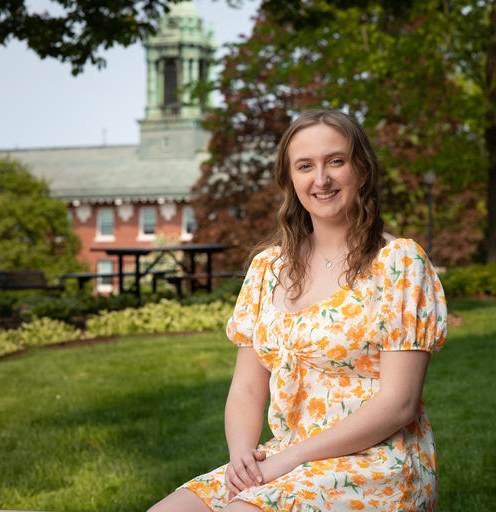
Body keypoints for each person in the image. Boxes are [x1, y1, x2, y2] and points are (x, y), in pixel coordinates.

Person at [148, 109, 447, 512]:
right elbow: (247, 387)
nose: (321, 179)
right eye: (305, 166)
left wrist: (288, 460)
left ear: (362, 169)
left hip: (377, 462)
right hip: (286, 455)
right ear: (290, 179)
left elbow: (399, 403)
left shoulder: (398, 264)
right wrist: (242, 457)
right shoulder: (268, 269)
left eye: (335, 161)